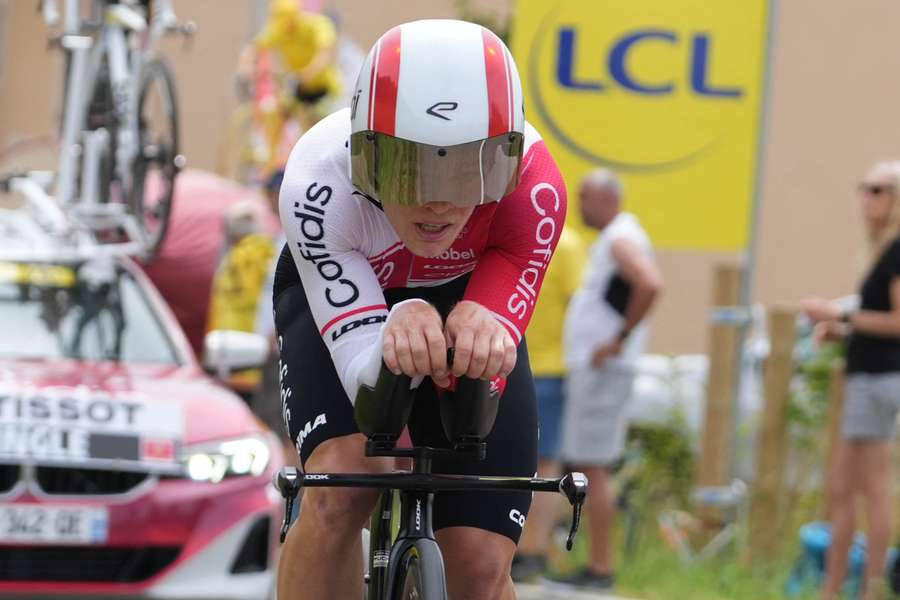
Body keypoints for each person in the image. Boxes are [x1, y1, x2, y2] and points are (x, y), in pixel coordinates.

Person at [272, 20, 567, 600]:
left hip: (468, 291)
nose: (437, 201)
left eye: (466, 167)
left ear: (503, 161)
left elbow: (499, 319)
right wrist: (391, 324)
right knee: (349, 481)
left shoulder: (535, 186)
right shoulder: (317, 181)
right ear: (366, 156)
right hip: (352, 300)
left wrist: (493, 320)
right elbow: (362, 375)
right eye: (411, 168)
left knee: (480, 564)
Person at [552, 168, 662, 590]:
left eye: (584, 196)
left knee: (592, 468)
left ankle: (600, 567)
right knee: (590, 465)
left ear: (608, 200)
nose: (579, 204)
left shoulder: (620, 237)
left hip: (604, 372)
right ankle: (598, 563)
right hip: (601, 371)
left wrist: (618, 339)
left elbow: (650, 284)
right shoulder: (618, 236)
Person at [802, 160, 900, 600]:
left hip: (879, 380)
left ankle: (871, 588)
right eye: (864, 189)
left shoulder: (897, 251)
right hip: (865, 376)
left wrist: (839, 313)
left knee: (873, 487)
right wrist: (842, 330)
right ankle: (832, 586)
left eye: (877, 190)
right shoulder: (882, 251)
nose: (866, 198)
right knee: (842, 487)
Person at [511, 225, 585, 582]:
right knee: (542, 462)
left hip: (522, 360)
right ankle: (529, 550)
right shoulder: (567, 245)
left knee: (524, 460)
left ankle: (521, 546)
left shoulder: (516, 233)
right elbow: (580, 307)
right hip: (542, 365)